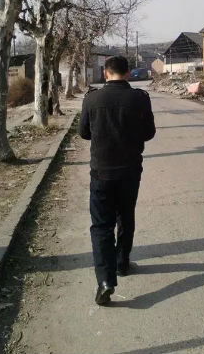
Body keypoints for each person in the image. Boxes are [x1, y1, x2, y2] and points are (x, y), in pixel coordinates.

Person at [79, 56, 156, 305]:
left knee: (101, 226)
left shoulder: (92, 99)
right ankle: (122, 263)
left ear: (106, 73)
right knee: (126, 216)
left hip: (101, 172)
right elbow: (149, 133)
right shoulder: (140, 98)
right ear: (128, 73)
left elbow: (83, 133)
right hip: (130, 171)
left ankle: (105, 280)